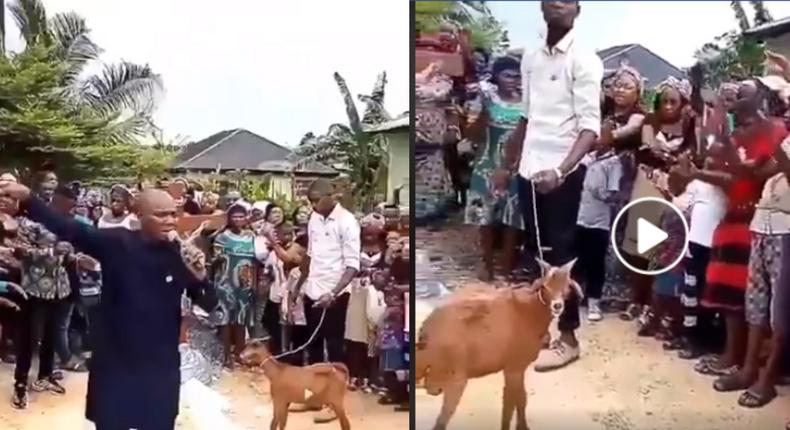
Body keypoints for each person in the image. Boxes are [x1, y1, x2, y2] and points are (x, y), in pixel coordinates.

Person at [0, 181, 218, 430]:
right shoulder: (117, 244)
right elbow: (67, 228)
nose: (170, 221)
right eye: (161, 215)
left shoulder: (179, 254)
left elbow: (209, 303)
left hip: (159, 368)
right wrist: (29, 199)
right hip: (115, 364)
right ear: (139, 216)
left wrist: (200, 276)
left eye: (172, 214)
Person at [503, 0, 603, 372]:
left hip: (563, 170)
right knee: (538, 253)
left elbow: (590, 129)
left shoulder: (585, 60)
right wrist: (509, 163)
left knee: (561, 258)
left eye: (566, 0)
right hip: (530, 168)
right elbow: (527, 115)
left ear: (578, 9)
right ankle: (544, 330)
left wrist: (560, 171)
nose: (557, 4)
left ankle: (570, 337)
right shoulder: (531, 56)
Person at [693, 81, 788, 378]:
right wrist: (702, 166)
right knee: (732, 296)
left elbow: (757, 174)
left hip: (764, 219)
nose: (734, 91)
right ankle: (732, 356)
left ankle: (755, 364)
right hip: (735, 215)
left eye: (744, 87)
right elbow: (726, 172)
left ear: (761, 95)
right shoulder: (733, 134)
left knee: (756, 298)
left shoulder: (776, 129)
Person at [290, 179, 360, 424]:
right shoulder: (313, 219)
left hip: (335, 294)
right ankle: (317, 398)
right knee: (315, 347)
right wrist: (298, 288)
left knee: (335, 348)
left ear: (333, 196)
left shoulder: (347, 222)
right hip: (312, 289)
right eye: (310, 201)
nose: (313, 205)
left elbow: (352, 265)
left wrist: (335, 292)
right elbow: (309, 256)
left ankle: (335, 404)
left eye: (316, 200)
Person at [464, 55, 525, 281]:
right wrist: (480, 114)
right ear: (496, 77)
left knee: (513, 221)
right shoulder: (487, 101)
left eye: (517, 75)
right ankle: (486, 265)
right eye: (507, 75)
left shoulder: (528, 103)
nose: (513, 80)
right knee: (485, 219)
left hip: (517, 168)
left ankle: (507, 269)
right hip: (487, 166)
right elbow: (471, 133)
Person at [212, 204, 258, 369]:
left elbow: (257, 259)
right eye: (235, 216)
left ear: (246, 218)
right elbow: (214, 260)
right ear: (229, 218)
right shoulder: (222, 237)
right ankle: (225, 356)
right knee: (225, 319)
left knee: (241, 318)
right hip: (225, 283)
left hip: (245, 283)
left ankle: (240, 353)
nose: (238, 219)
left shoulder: (252, 237)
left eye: (241, 216)